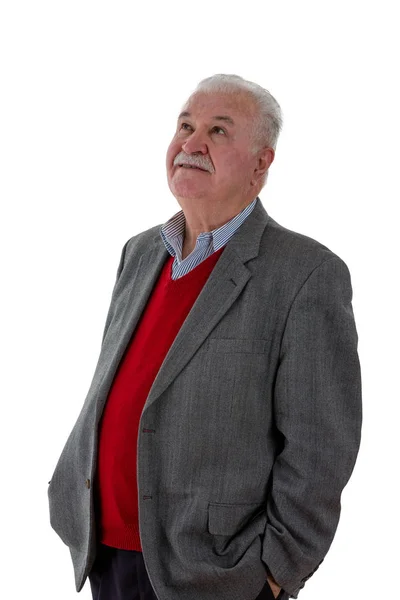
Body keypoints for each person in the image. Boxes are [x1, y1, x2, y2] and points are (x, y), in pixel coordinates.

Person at [47, 74, 362, 600]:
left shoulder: (306, 273)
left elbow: (320, 449)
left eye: (219, 131)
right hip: (105, 551)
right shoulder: (141, 252)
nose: (192, 144)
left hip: (214, 574)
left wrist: (274, 574)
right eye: (186, 126)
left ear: (262, 164)